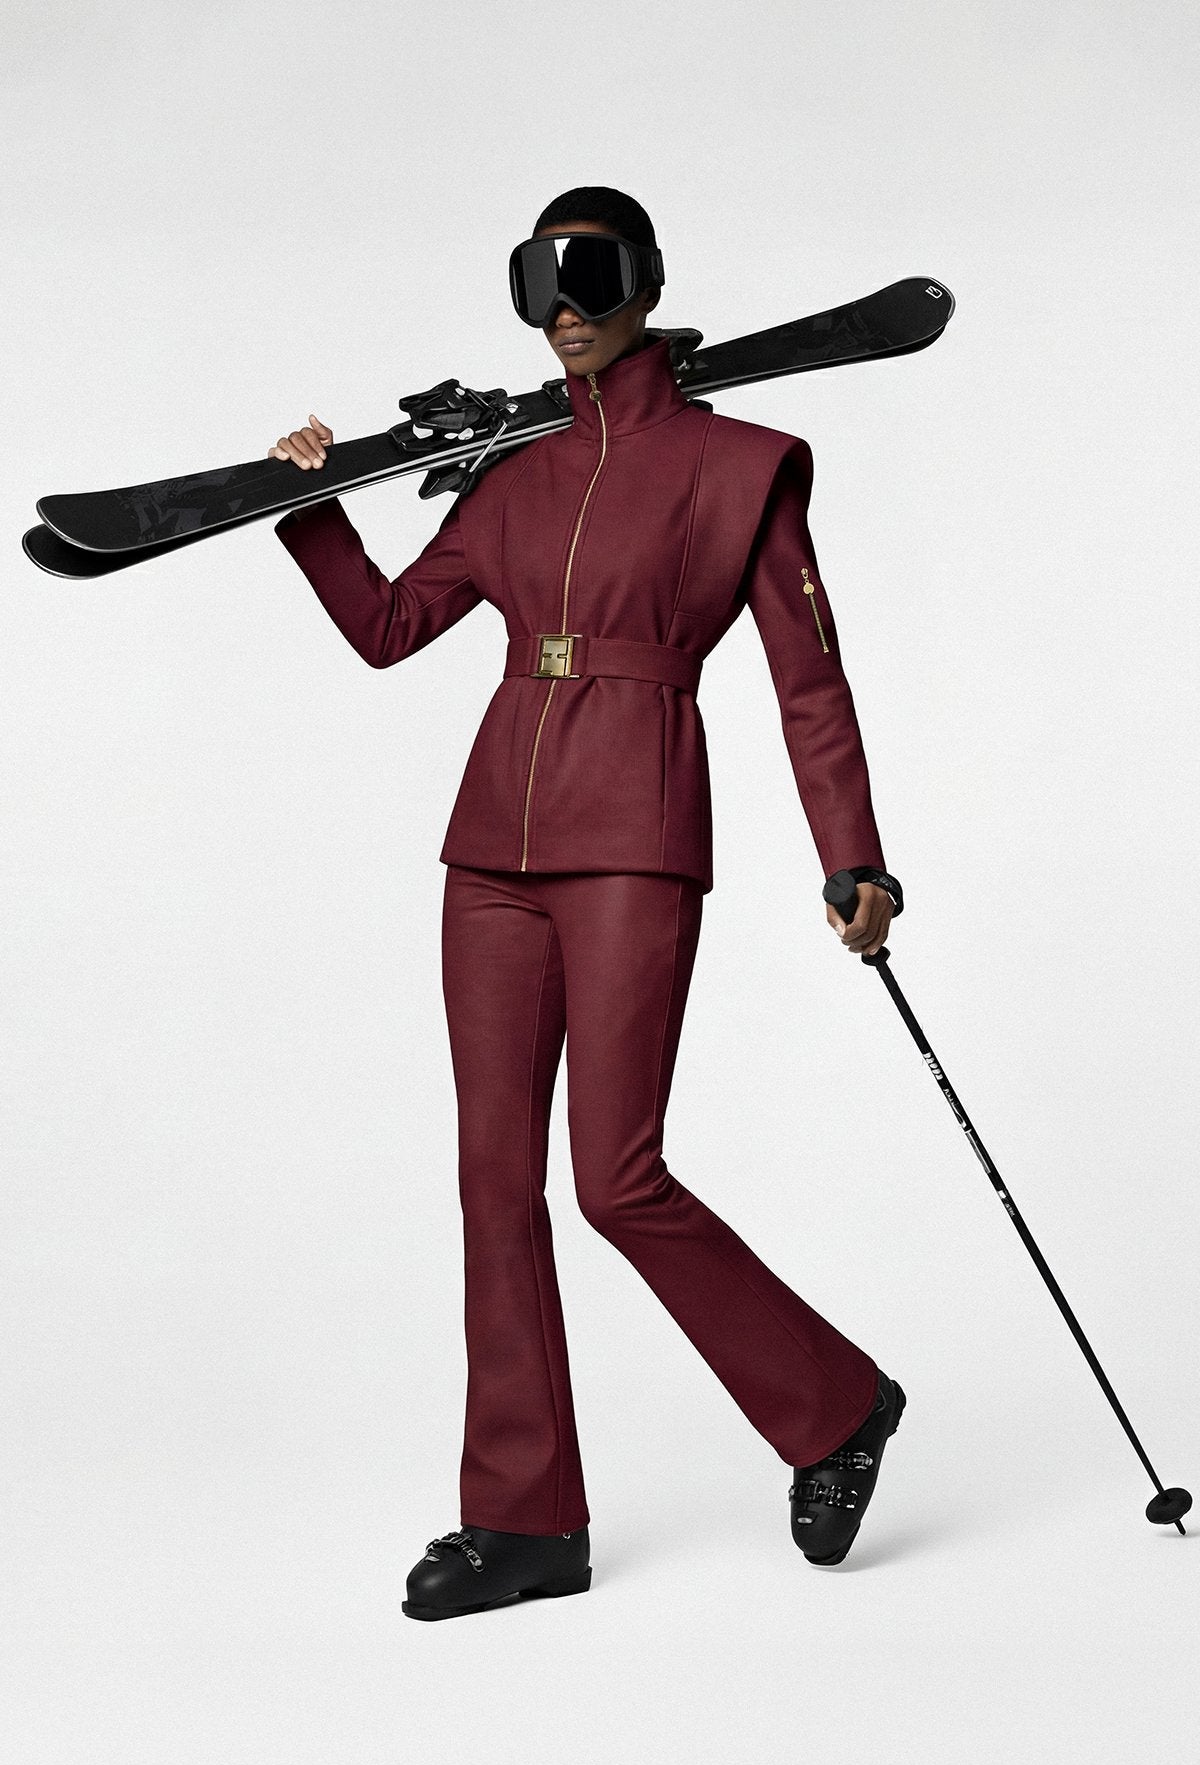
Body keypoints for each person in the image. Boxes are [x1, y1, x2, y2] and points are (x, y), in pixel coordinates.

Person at [268, 186, 906, 1622]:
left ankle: (836, 1405)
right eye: (536, 280)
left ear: (645, 282)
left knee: (616, 1177)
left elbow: (809, 681)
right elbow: (388, 630)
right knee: (493, 1182)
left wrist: (854, 855)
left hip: (635, 833)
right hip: (492, 846)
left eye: (590, 274)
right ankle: (524, 1520)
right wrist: (307, 507)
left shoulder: (741, 465)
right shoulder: (512, 472)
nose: (562, 307)